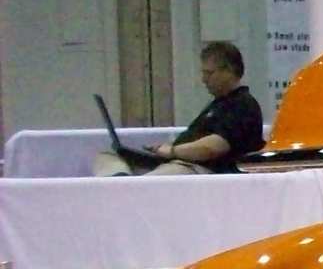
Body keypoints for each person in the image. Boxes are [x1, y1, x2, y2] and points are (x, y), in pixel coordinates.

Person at [94, 41, 264, 176]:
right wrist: (166, 149)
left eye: (209, 73)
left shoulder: (243, 106)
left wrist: (173, 151)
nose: (204, 79)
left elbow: (212, 148)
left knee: (164, 175)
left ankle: (128, 189)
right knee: (107, 158)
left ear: (229, 71)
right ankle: (122, 183)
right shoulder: (217, 105)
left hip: (203, 169)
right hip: (179, 161)